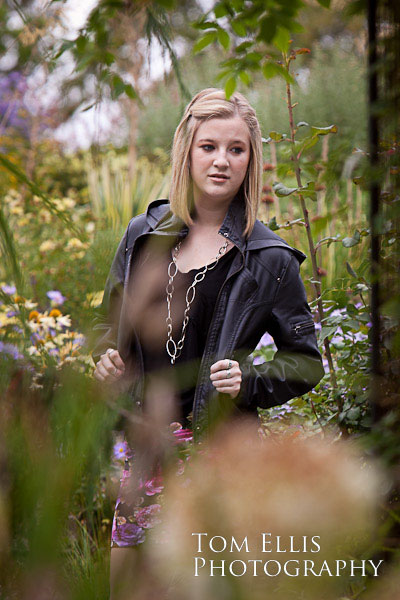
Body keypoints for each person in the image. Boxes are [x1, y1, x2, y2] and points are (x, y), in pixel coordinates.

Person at [92, 87, 325, 597]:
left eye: (236, 149)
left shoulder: (270, 258)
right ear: (187, 152)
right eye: (209, 147)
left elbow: (306, 361)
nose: (222, 160)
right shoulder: (143, 234)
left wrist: (250, 379)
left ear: (250, 159)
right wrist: (104, 358)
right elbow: (109, 326)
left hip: (221, 455)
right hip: (145, 445)